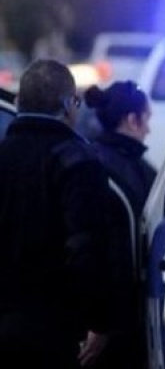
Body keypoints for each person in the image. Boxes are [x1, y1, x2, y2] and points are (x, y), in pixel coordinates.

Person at [0, 59, 121, 368]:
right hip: (55, 329)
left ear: (19, 101)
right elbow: (87, 247)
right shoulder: (78, 161)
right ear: (68, 104)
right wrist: (100, 320)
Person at [82, 80, 156, 369]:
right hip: (122, 320)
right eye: (146, 118)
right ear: (131, 120)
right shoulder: (137, 172)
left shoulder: (90, 162)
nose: (149, 129)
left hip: (103, 319)